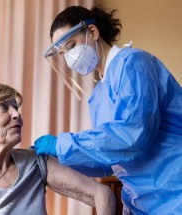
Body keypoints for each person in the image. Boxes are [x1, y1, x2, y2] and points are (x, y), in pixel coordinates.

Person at [34, 5, 182, 215]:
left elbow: (133, 136)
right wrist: (61, 157)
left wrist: (62, 144)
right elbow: (109, 160)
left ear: (93, 32)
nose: (69, 58)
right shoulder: (98, 97)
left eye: (71, 45)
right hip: (140, 203)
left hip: (174, 193)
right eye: (63, 53)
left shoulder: (133, 63)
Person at [0, 80, 116, 215]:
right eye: (3, 107)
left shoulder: (36, 162)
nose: (16, 114)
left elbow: (102, 194)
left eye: (15, 107)